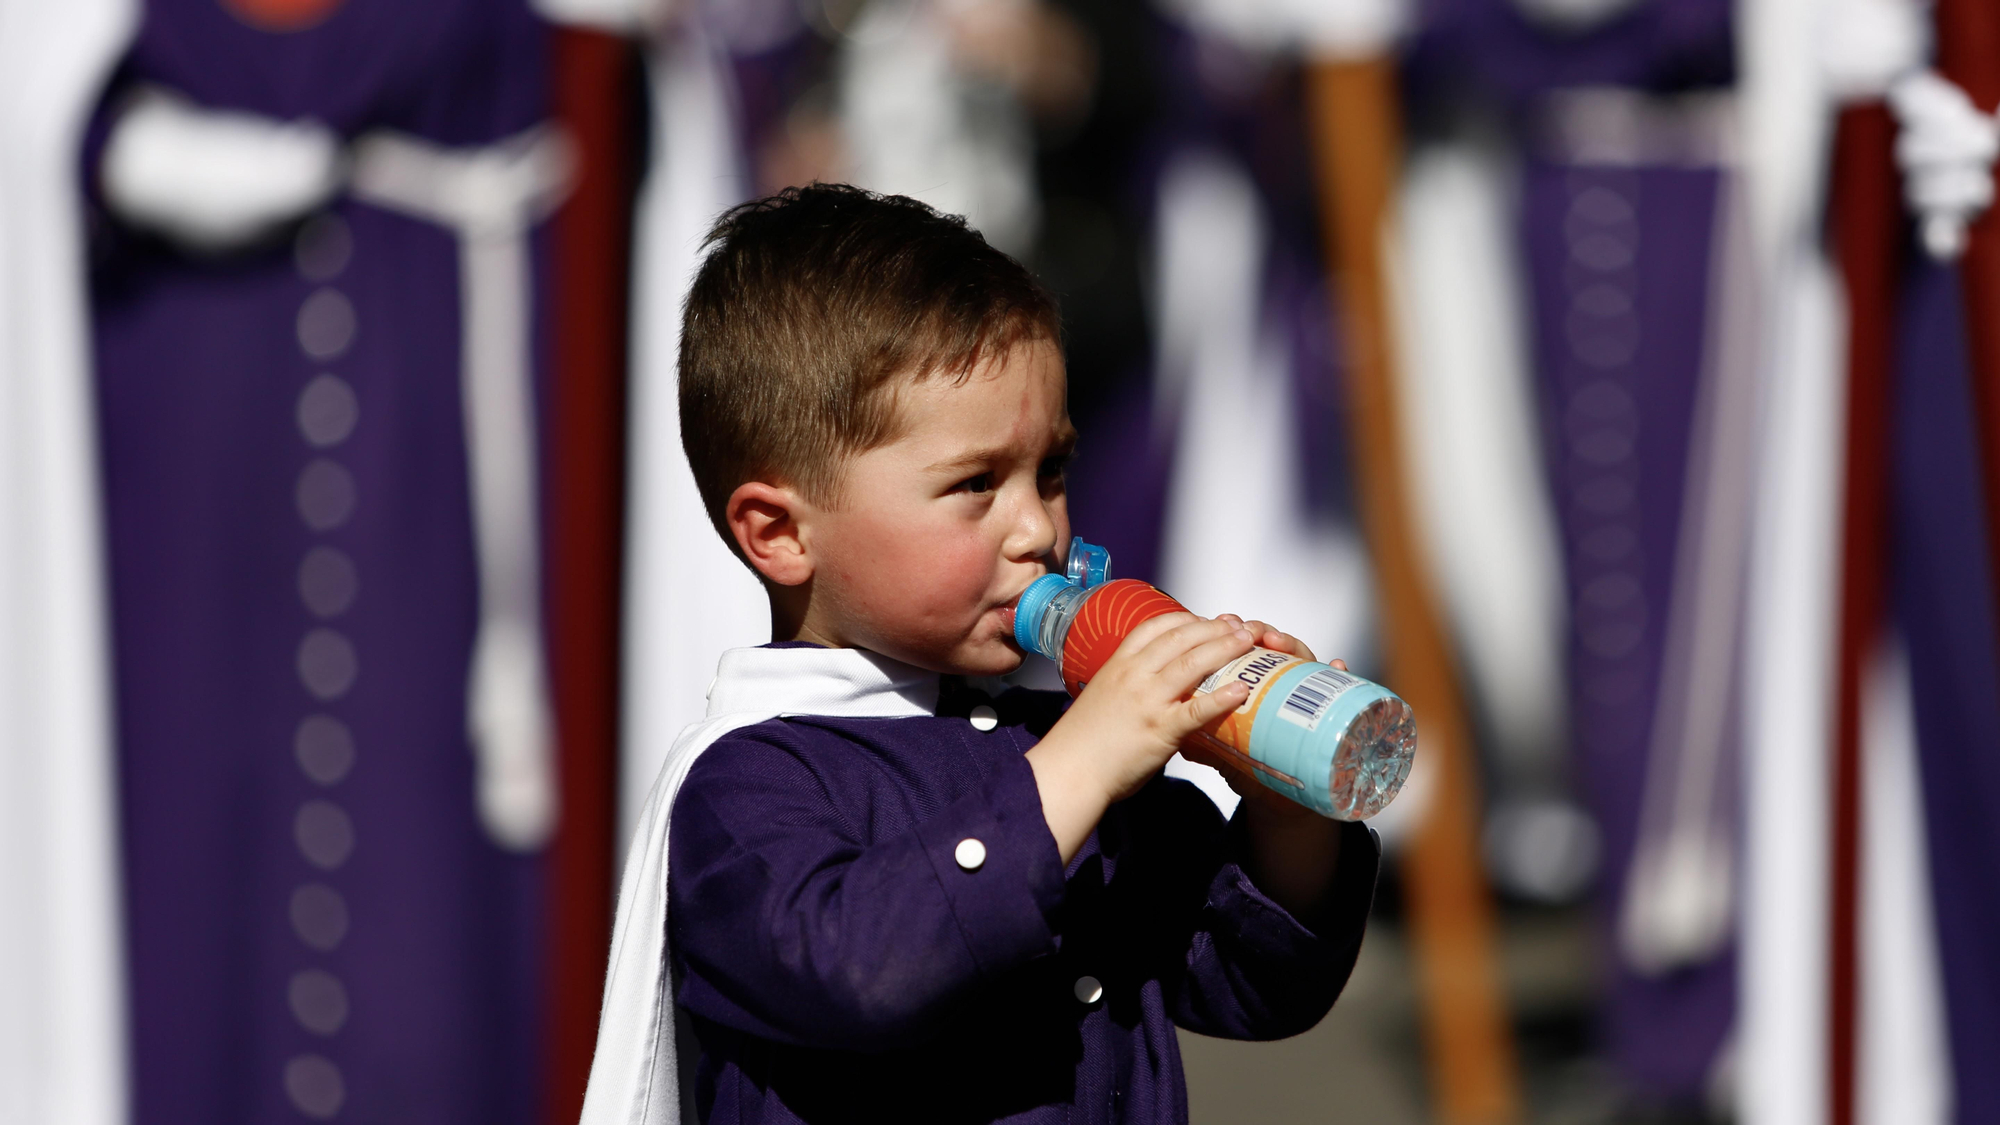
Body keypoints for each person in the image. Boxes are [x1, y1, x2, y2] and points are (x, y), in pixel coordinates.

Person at [581, 183, 1380, 1125]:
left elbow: (1252, 985)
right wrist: (1084, 762)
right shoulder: (749, 783)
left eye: (1052, 469)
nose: (1037, 529)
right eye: (974, 483)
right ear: (780, 534)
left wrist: (1284, 807)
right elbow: (861, 968)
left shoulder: (1049, 743)